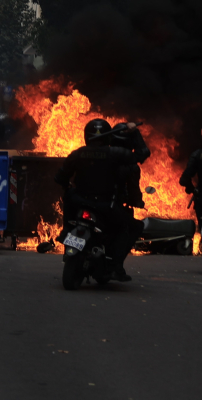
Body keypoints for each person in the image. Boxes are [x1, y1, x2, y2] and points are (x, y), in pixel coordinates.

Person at [55, 119, 139, 281]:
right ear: (108, 138)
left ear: (87, 136)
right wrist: (134, 132)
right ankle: (115, 266)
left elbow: (60, 178)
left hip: (79, 202)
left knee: (69, 200)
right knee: (128, 227)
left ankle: (65, 234)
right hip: (105, 206)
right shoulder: (115, 153)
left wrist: (68, 187)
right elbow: (140, 156)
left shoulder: (77, 154)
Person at [111, 121, 150, 208]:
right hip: (114, 207)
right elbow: (143, 153)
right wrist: (136, 133)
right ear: (131, 142)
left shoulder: (101, 156)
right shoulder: (131, 165)